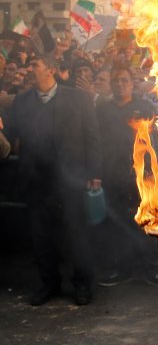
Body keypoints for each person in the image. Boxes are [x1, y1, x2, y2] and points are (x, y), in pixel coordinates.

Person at [5, 55, 101, 306]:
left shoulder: (78, 99)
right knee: (41, 237)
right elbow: (10, 135)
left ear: (50, 70)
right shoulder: (22, 101)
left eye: (34, 65)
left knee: (76, 235)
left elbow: (91, 138)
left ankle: (82, 285)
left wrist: (94, 174)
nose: (29, 70)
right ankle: (49, 283)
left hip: (71, 181)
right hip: (37, 181)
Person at [95, 67, 158, 289]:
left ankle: (153, 269)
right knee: (116, 224)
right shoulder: (102, 109)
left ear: (131, 84)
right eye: (116, 80)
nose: (120, 84)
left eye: (124, 80)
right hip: (112, 175)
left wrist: (153, 171)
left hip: (142, 175)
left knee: (148, 221)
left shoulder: (144, 107)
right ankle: (121, 269)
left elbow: (155, 141)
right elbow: (96, 141)